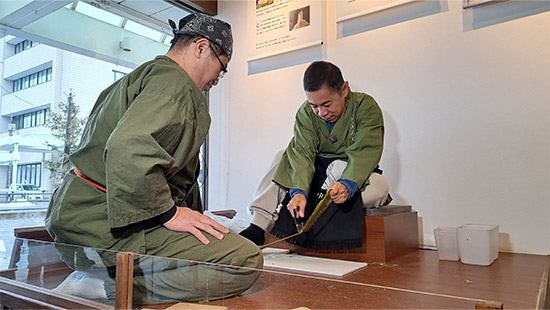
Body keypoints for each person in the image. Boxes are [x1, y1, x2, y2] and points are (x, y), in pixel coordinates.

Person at [45, 13, 262, 304]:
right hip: (102, 224)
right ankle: (105, 288)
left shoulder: (142, 76)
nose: (216, 81)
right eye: (220, 68)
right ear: (200, 48)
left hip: (75, 215)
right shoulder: (176, 84)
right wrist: (169, 214)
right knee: (243, 259)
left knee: (218, 244)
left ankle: (104, 276)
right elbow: (130, 148)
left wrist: (200, 219)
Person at [240, 61, 390, 247]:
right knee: (282, 156)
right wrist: (299, 192)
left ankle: (323, 205)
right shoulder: (305, 113)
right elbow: (302, 153)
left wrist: (348, 184)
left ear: (344, 89)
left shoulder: (365, 106)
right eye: (314, 106)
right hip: (315, 177)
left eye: (327, 104)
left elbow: (366, 151)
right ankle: (257, 226)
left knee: (380, 186)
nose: (321, 112)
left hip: (348, 174)